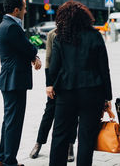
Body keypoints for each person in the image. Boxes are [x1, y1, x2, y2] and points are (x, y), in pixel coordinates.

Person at [47, 0, 112, 166]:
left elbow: (54, 65)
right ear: (85, 17)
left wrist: (49, 85)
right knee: (87, 137)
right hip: (92, 92)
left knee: (59, 135)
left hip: (66, 92)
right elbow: (104, 68)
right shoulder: (95, 35)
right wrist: (107, 97)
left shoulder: (61, 36)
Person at [0, 0, 42, 166]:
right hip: (14, 80)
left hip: (10, 79)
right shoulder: (12, 27)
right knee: (14, 123)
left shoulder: (4, 25)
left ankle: (2, 159)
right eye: (24, 7)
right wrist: (34, 56)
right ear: (16, 10)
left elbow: (21, 49)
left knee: (9, 122)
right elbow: (27, 47)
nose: (26, 10)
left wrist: (31, 56)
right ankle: (9, 162)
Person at [29, 28, 77, 162]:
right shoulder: (52, 34)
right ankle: (39, 143)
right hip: (56, 80)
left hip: (72, 80)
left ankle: (70, 145)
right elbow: (48, 59)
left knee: (73, 115)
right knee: (49, 112)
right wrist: (48, 84)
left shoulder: (78, 32)